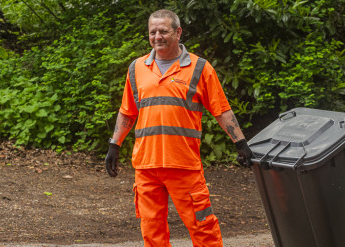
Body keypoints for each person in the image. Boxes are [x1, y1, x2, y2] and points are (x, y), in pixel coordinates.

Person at [103, 9, 254, 247]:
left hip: (184, 165)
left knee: (203, 227)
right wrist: (115, 144)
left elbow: (221, 110)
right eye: (153, 32)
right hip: (146, 166)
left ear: (178, 32)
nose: (157, 36)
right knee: (152, 231)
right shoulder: (137, 68)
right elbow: (127, 112)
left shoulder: (200, 68)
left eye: (163, 31)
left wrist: (241, 143)